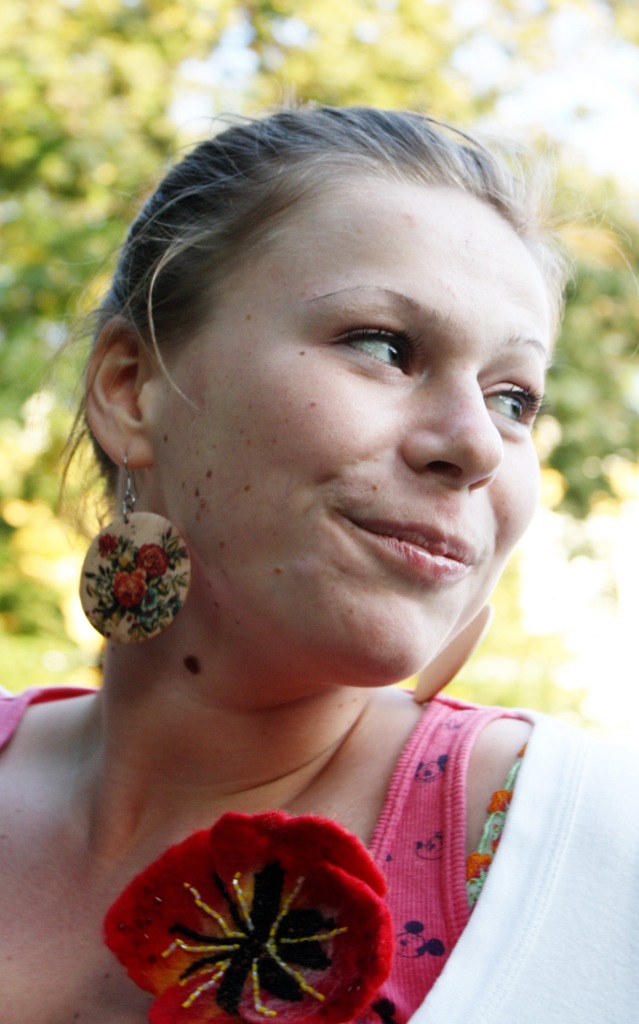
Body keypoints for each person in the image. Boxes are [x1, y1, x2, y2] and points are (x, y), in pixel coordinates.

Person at [0, 106, 637, 1024]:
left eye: (512, 398)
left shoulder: (590, 852)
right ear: (131, 390)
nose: (475, 446)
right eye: (383, 346)